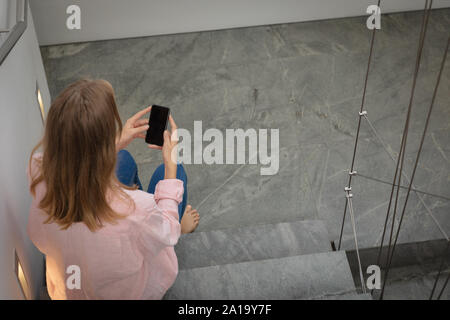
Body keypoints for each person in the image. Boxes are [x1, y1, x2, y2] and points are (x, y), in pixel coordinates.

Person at [27, 79, 199, 299]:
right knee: (176, 177)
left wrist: (115, 144)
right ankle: (182, 222)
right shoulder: (137, 209)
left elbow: (74, 161)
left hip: (70, 288)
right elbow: (167, 233)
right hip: (128, 292)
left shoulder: (38, 169)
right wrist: (171, 166)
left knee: (123, 158)